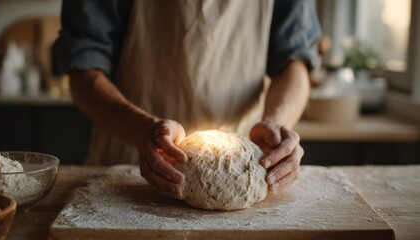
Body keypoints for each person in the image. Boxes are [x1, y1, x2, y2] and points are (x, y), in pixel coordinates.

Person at [53, 0, 321, 199]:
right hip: (129, 165)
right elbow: (83, 69)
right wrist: (143, 129)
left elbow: (294, 63)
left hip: (247, 161)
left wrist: (276, 127)